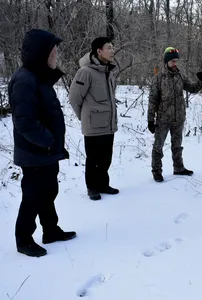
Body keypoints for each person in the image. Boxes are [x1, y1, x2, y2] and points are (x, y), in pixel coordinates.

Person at [8, 29, 76, 257]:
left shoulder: (38, 76)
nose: (57, 54)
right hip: (35, 152)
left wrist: (53, 145)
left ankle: (51, 230)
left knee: (48, 191)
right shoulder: (25, 80)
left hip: (47, 152)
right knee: (33, 196)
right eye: (53, 50)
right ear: (41, 53)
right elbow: (25, 122)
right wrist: (48, 142)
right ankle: (24, 239)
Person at [69, 37, 119, 200]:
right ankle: (92, 187)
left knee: (106, 158)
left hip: (108, 123)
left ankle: (103, 185)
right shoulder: (85, 72)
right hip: (93, 125)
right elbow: (74, 98)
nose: (112, 50)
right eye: (109, 48)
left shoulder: (110, 70)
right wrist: (84, 117)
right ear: (99, 51)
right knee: (93, 159)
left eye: (112, 47)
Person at [147, 47, 202, 182]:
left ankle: (178, 167)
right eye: (172, 61)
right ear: (166, 61)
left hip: (178, 118)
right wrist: (150, 119)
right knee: (158, 146)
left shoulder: (180, 76)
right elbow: (152, 100)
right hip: (163, 119)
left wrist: (201, 81)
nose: (175, 63)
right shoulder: (158, 78)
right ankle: (156, 171)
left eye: (176, 61)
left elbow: (192, 88)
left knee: (177, 145)